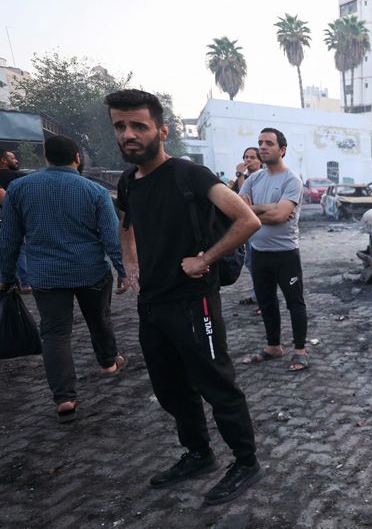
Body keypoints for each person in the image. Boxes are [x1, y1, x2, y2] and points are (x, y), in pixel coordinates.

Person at [107, 89, 263, 505]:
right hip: (152, 304)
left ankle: (246, 462)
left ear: (162, 130)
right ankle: (199, 453)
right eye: (120, 126)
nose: (128, 135)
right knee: (171, 388)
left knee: (217, 384)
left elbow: (247, 220)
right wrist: (130, 263)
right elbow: (127, 224)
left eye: (138, 126)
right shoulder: (127, 181)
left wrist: (206, 258)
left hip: (195, 301)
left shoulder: (189, 174)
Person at [0, 136, 127, 422]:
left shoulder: (19, 189)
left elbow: (8, 239)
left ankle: (65, 398)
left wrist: (6, 276)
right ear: (77, 157)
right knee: (100, 319)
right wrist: (122, 270)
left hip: (46, 276)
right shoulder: (94, 191)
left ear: (46, 157)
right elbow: (111, 236)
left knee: (55, 334)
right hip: (91, 271)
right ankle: (108, 363)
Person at [239, 128, 309, 372]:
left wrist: (254, 210)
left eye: (269, 143)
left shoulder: (291, 180)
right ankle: (273, 346)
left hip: (286, 253)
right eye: (260, 142)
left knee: (294, 302)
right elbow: (239, 211)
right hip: (259, 252)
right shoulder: (254, 179)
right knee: (267, 302)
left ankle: (300, 350)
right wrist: (266, 209)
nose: (263, 147)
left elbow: (281, 216)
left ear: (282, 149)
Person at [232, 147, 261, 307]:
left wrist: (240, 175)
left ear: (260, 161)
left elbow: (244, 198)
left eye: (252, 157)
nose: (247, 160)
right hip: (247, 227)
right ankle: (258, 295)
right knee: (250, 262)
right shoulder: (243, 178)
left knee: (257, 263)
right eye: (246, 157)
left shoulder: (261, 177)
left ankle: (262, 297)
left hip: (259, 226)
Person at [0, 149, 30, 292]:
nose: (16, 160)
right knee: (19, 248)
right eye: (12, 157)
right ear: (3, 160)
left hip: (5, 217)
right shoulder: (22, 177)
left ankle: (9, 281)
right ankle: (24, 282)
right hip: (17, 216)